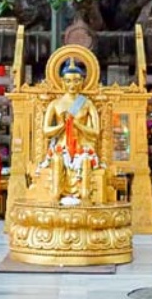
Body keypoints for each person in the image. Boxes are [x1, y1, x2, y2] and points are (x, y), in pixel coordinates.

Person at [40, 58, 101, 201]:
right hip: (62, 146)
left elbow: (96, 132)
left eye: (76, 81)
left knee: (85, 161)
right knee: (57, 160)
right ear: (62, 82)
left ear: (82, 81)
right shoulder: (55, 104)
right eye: (68, 81)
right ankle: (55, 197)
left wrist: (76, 124)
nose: (72, 85)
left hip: (82, 147)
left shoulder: (87, 104)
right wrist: (63, 125)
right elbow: (45, 131)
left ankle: (85, 198)